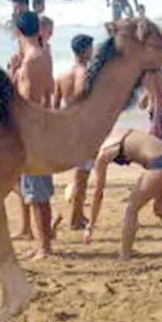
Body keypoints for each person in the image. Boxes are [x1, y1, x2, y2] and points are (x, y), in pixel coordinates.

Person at [84, 128, 162, 261]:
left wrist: (90, 225)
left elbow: (98, 193)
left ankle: (124, 255)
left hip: (161, 163)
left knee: (132, 209)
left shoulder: (104, 153)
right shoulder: (118, 131)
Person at [13, 12, 56, 260]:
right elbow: (49, 93)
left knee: (36, 192)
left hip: (32, 130)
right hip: (43, 126)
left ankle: (44, 247)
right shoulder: (44, 55)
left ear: (18, 31)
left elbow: (28, 102)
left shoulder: (30, 61)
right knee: (37, 191)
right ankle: (43, 242)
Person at [54, 34, 94, 229]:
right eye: (91, 49)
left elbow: (54, 107)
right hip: (83, 130)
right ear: (86, 51)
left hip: (67, 129)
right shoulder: (86, 75)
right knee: (82, 178)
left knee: (79, 176)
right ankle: (75, 219)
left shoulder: (61, 76)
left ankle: (78, 215)